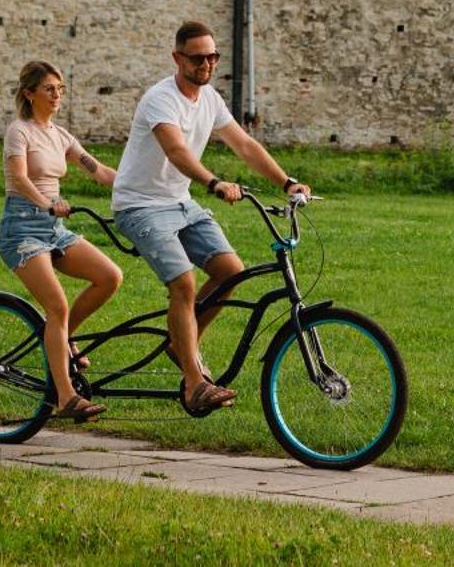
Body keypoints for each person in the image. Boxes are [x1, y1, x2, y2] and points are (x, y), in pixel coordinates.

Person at [111, 21, 311, 414]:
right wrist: (213, 182)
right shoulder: (160, 99)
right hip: (139, 205)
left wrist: (286, 182)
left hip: (179, 202)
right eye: (198, 57)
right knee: (184, 284)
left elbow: (245, 145)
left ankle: (180, 343)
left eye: (213, 56)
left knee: (231, 270)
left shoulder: (211, 100)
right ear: (178, 58)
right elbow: (176, 151)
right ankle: (193, 383)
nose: (207, 64)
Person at [0, 59, 124, 422]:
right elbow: (20, 179)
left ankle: (66, 340)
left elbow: (97, 169)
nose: (57, 96)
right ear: (29, 93)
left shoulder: (61, 135)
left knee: (109, 277)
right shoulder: (18, 131)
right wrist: (48, 203)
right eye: (50, 89)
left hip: (54, 228)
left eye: (61, 89)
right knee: (57, 307)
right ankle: (66, 396)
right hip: (21, 229)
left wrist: (141, 186)